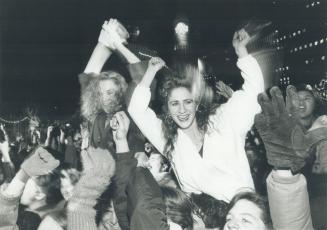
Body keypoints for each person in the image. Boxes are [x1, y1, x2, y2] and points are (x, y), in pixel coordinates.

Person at [128, 28, 264, 206]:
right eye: (174, 104)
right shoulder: (169, 140)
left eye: (188, 102)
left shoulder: (223, 120)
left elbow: (254, 94)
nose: (182, 110)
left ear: (197, 103)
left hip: (245, 214)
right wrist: (151, 71)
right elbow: (136, 110)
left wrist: (242, 52)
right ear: (168, 109)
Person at [0, 147, 60, 229]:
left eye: (25, 179)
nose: (20, 184)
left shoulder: (33, 224)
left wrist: (9, 197)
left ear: (39, 194)